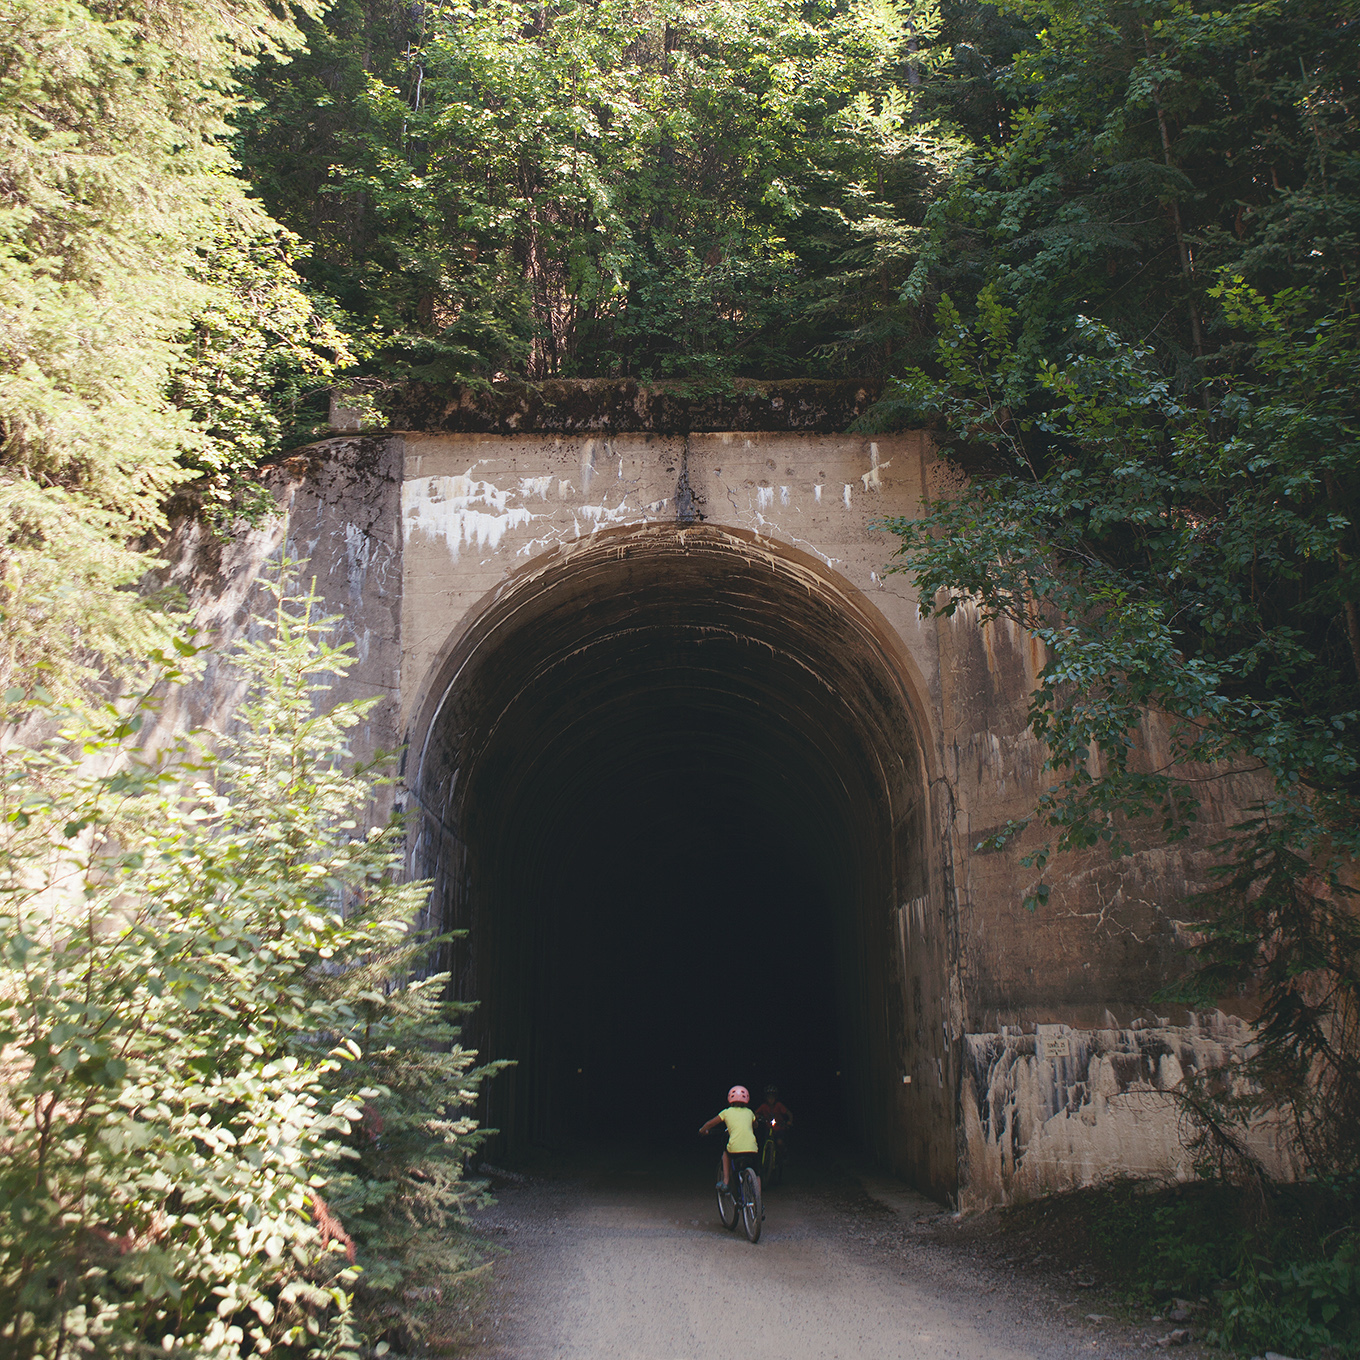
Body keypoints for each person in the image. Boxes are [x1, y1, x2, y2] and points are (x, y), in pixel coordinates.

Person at [698, 1084, 760, 1194]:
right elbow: (756, 1125)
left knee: (725, 1153)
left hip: (735, 1150)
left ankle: (726, 1181)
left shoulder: (726, 1112)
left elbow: (710, 1123)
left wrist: (702, 1130)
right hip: (752, 1149)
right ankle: (758, 1199)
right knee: (757, 1174)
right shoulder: (750, 1112)